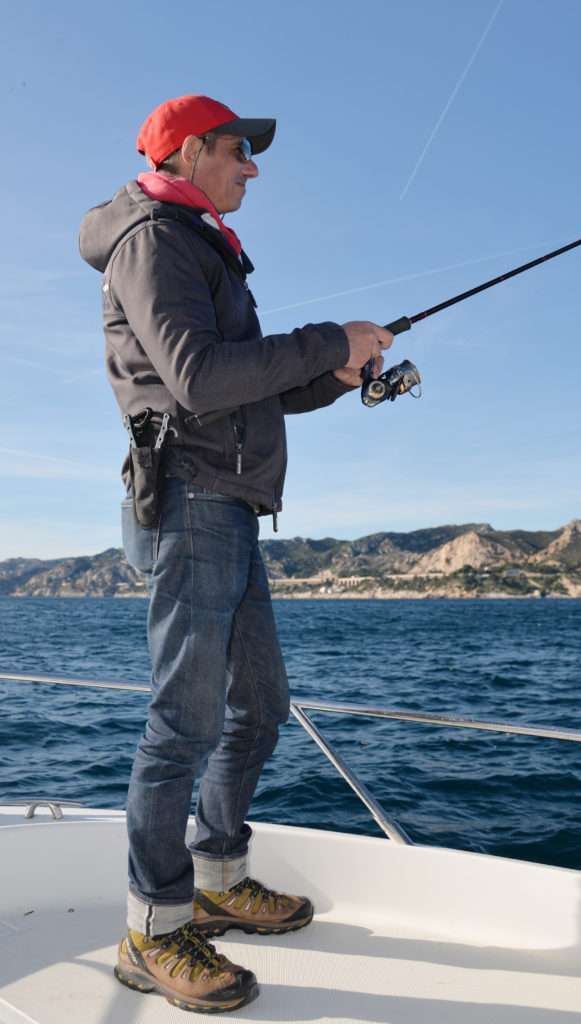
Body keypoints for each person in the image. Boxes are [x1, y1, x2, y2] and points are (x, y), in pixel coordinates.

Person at [79, 93, 393, 1014]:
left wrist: (331, 375)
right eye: (236, 151)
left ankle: (215, 874)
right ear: (186, 153)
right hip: (191, 504)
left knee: (259, 705)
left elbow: (244, 392)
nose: (251, 166)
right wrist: (326, 339)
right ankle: (154, 928)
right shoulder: (153, 238)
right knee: (184, 721)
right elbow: (201, 377)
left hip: (232, 501)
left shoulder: (198, 243)